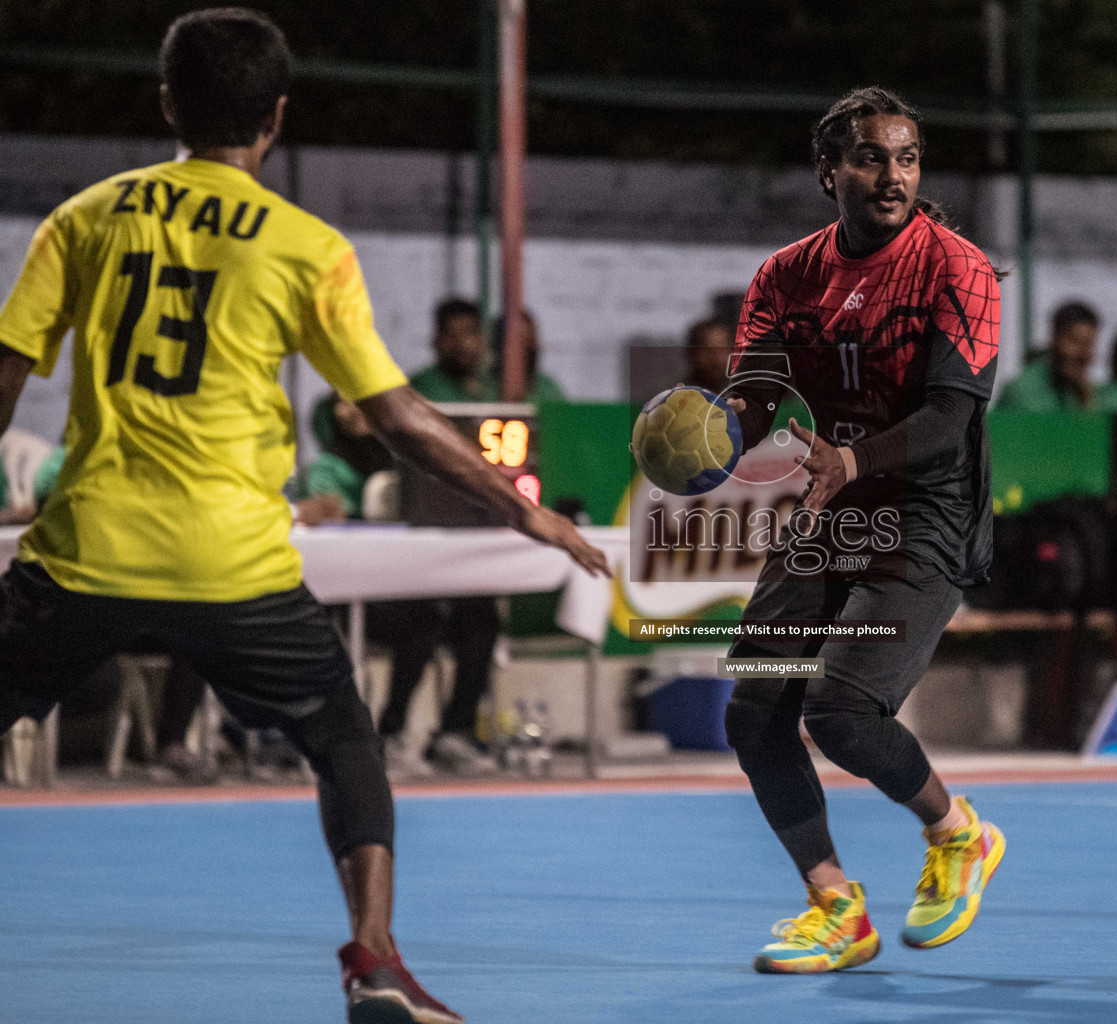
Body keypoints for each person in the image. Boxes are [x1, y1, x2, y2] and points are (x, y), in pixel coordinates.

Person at [0, 10, 607, 1023]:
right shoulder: (305, 246)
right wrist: (523, 512)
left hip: (87, 552)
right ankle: (375, 960)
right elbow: (398, 415)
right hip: (234, 566)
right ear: (275, 118)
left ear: (166, 105)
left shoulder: (83, 218)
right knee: (341, 734)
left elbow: (6, 377)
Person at [722, 87, 1005, 974]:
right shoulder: (784, 275)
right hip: (828, 509)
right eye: (871, 158)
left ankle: (957, 835)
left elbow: (949, 418)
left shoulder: (960, 269)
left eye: (908, 158)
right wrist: (709, 434)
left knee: (840, 709)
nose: (892, 176)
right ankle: (835, 906)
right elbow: (759, 398)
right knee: (755, 715)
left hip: (928, 509)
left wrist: (849, 460)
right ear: (829, 171)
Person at [303, 394, 501, 776]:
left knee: (480, 615)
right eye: (338, 404)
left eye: (354, 401)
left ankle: (455, 732)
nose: (346, 412)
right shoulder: (326, 470)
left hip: (418, 586)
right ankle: (390, 734)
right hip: (355, 595)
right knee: (424, 622)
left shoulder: (410, 463)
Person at [994, 301, 1098, 412]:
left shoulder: (1090, 394)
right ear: (1055, 337)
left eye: (1088, 344)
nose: (1082, 353)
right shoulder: (1022, 391)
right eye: (1075, 342)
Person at [682, 315, 734, 395]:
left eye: (722, 350)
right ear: (692, 353)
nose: (717, 359)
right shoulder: (673, 396)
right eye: (709, 350)